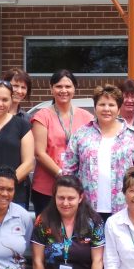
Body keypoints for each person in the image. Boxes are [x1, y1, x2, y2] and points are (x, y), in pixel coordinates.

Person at [62, 84, 134, 220]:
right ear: (95, 108)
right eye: (102, 104)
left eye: (111, 105)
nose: (106, 109)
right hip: (87, 208)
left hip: (124, 209)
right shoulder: (81, 134)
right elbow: (68, 171)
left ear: (119, 109)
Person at [31, 69, 94, 213]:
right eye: (59, 86)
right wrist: (62, 174)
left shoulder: (87, 117)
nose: (63, 90)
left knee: (75, 231)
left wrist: (74, 180)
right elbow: (39, 153)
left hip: (78, 187)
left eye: (68, 86)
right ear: (51, 89)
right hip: (46, 187)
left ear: (74, 89)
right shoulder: (42, 116)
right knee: (47, 232)